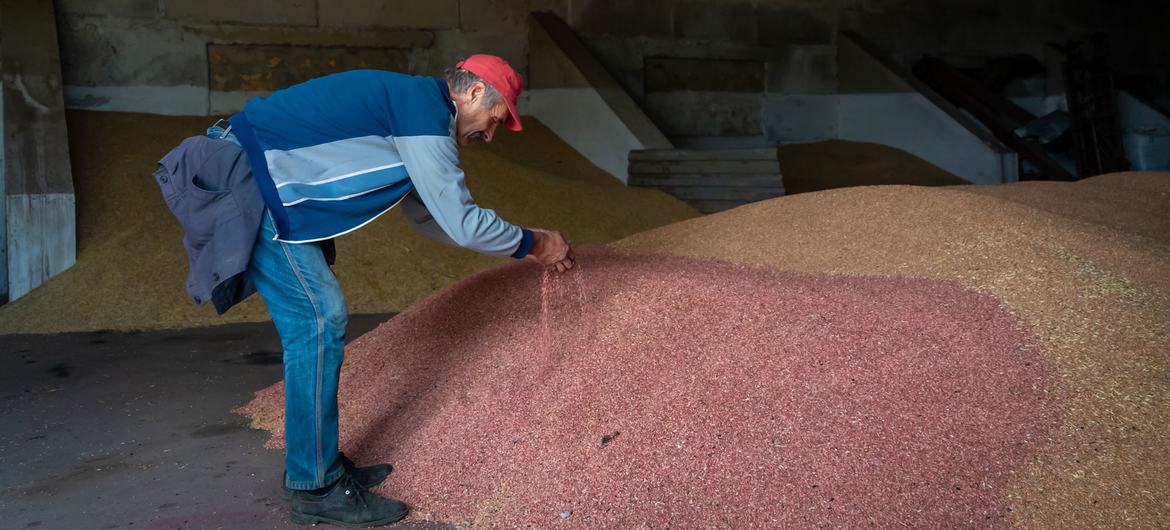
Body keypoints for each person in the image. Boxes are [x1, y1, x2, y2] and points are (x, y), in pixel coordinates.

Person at [154, 54, 574, 527]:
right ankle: (315, 487)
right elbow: (459, 221)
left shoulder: (415, 109)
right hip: (251, 182)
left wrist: (523, 242)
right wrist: (535, 243)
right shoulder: (424, 113)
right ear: (474, 93)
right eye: (494, 121)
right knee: (318, 320)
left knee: (317, 319)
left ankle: (321, 465)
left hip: (260, 181)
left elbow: (433, 217)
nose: (489, 135)